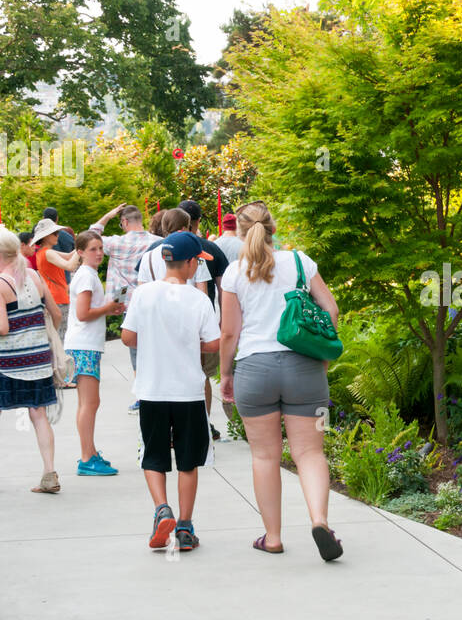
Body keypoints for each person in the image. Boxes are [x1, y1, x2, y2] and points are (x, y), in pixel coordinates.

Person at [219, 201, 342, 561]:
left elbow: (229, 333)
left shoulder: (233, 273)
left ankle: (272, 536)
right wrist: (322, 355)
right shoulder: (301, 262)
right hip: (304, 368)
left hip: (255, 371)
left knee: (264, 455)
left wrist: (226, 374)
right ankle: (320, 521)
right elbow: (330, 308)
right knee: (310, 452)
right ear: (273, 228)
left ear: (240, 232)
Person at [121, 231, 221, 552]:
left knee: (154, 455)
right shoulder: (198, 299)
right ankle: (186, 527)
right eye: (198, 263)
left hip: (152, 390)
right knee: (188, 462)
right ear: (191, 263)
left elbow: (127, 337)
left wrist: (152, 339)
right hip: (189, 393)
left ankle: (162, 508)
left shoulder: (144, 294)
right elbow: (213, 344)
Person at [0, 227, 64, 494]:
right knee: (38, 414)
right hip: (38, 360)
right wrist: (41, 340)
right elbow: (56, 314)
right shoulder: (33, 275)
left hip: (6, 362)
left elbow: (2, 328)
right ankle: (49, 474)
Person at [88, 203, 160, 413]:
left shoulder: (116, 243)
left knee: (136, 350)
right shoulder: (157, 242)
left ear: (125, 222)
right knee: (153, 347)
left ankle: (141, 395)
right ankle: (155, 389)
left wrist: (108, 216)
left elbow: (91, 235)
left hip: (127, 303)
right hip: (152, 301)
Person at [65, 230, 125, 476]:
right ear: (80, 252)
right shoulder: (87, 277)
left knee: (87, 403)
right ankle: (87, 457)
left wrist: (107, 309)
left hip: (83, 343)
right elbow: (83, 314)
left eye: (100, 248)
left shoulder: (85, 275)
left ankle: (89, 453)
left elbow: (86, 312)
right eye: (93, 249)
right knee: (90, 402)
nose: (99, 253)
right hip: (85, 345)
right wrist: (108, 308)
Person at [178, 199, 229, 440]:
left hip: (173, 325)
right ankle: (204, 425)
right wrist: (222, 322)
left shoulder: (162, 249)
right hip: (204, 324)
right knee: (202, 376)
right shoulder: (211, 249)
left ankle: (178, 427)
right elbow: (222, 289)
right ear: (198, 221)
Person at [31, 218, 81, 354]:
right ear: (46, 236)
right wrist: (81, 248)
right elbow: (70, 265)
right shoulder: (48, 253)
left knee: (55, 338)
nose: (58, 235)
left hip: (52, 298)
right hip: (58, 299)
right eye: (55, 233)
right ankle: (60, 372)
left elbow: (69, 255)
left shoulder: (43, 252)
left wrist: (80, 247)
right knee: (60, 340)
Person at [42, 207, 76, 284]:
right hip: (65, 278)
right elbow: (71, 256)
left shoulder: (40, 238)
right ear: (57, 218)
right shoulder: (68, 237)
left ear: (43, 218)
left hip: (47, 280)